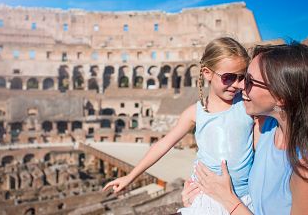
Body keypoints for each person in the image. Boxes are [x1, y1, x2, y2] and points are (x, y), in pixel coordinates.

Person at [103, 37, 255, 214]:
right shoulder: (195, 112)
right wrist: (130, 177)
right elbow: (163, 144)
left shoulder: (248, 104)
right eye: (229, 77)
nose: (237, 84)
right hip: (206, 195)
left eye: (242, 77)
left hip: (243, 196)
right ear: (207, 73)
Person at [182, 42, 308, 214]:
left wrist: (227, 199)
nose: (241, 86)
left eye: (249, 81)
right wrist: (200, 194)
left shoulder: (303, 167)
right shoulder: (267, 129)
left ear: (280, 96)